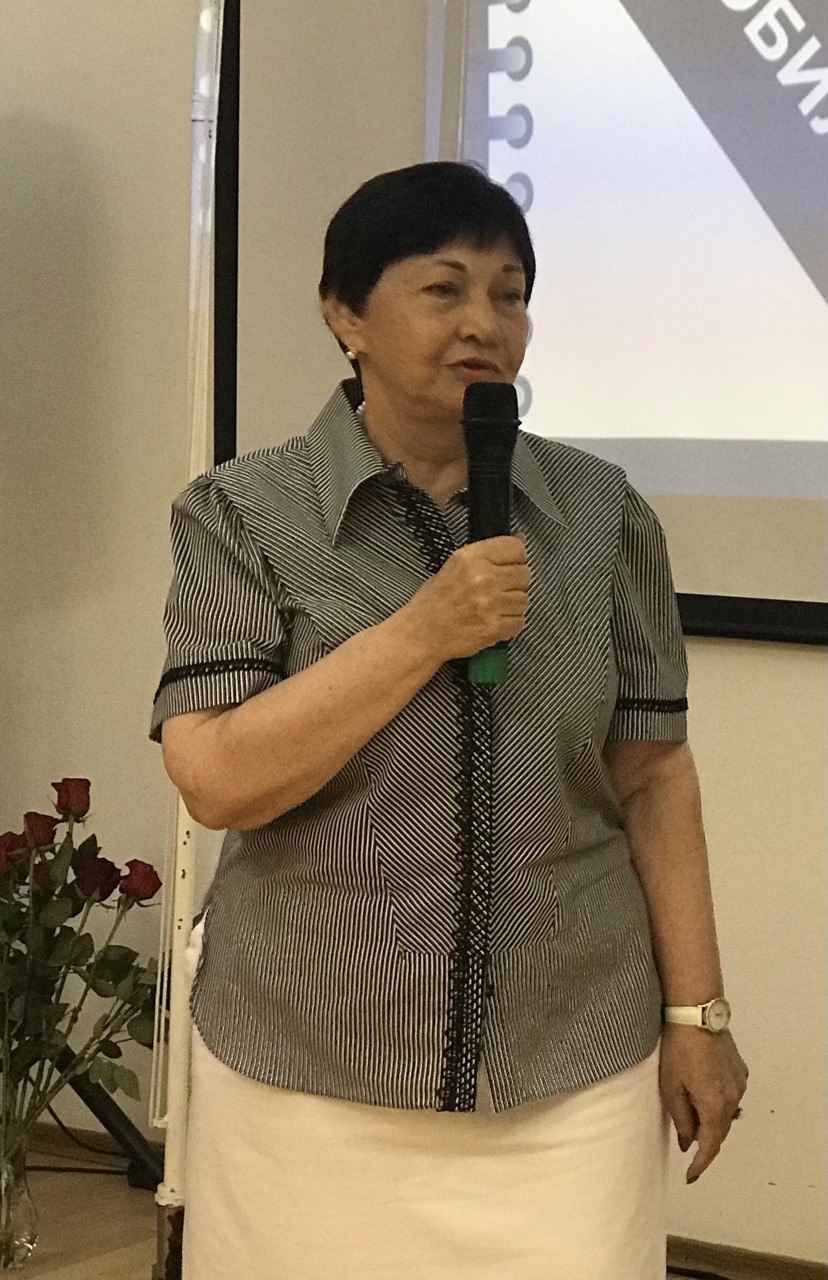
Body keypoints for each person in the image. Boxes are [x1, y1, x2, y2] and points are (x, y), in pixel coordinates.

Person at [150, 161, 748, 1280]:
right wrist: (421, 631)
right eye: (445, 288)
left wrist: (697, 1016)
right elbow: (218, 779)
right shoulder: (242, 512)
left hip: (573, 1062)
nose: (486, 322)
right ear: (345, 315)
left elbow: (654, 775)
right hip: (305, 1063)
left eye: (510, 293)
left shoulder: (605, 513)